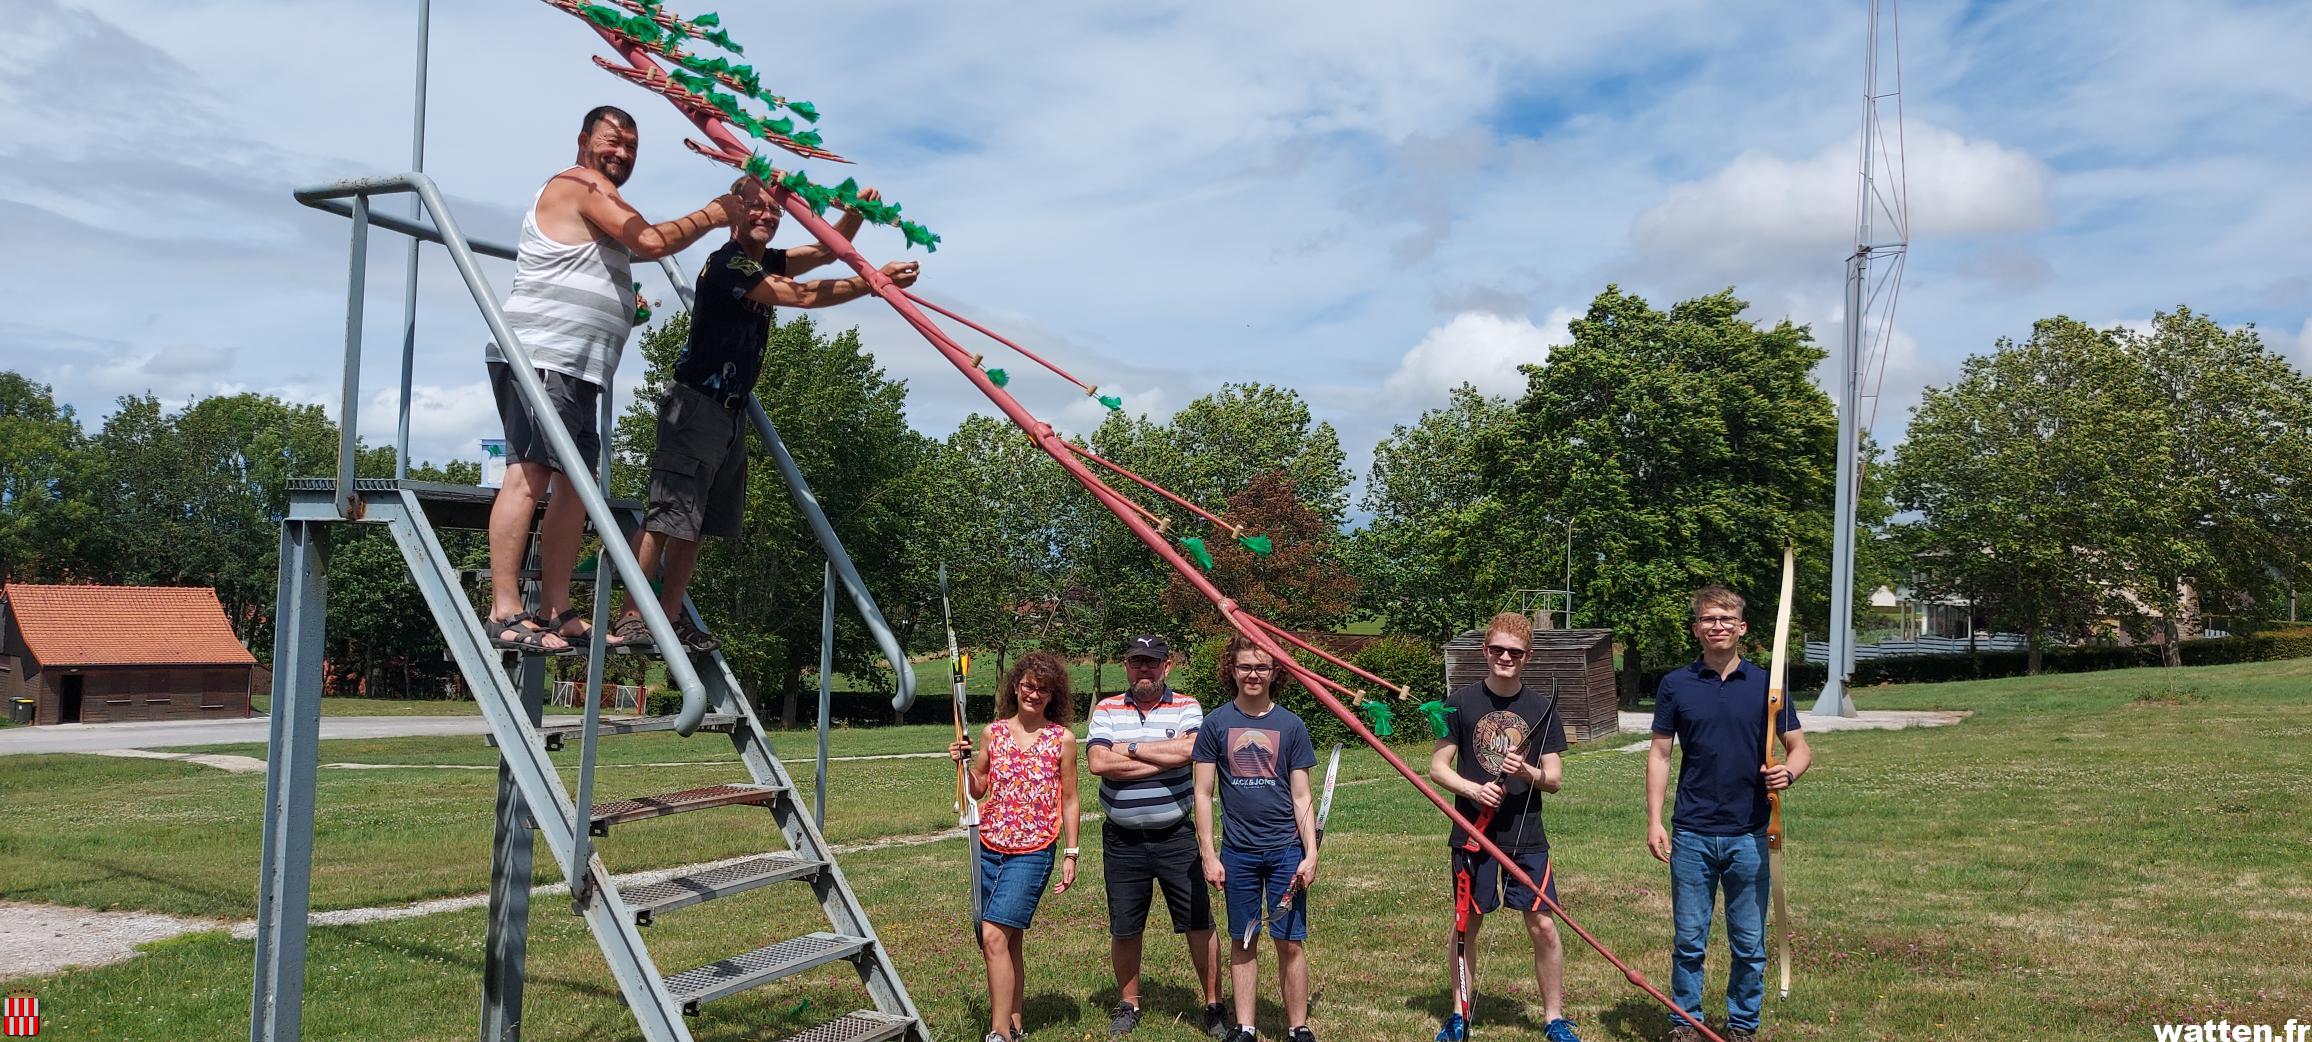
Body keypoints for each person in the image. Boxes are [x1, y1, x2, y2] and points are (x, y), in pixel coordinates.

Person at [609, 174, 921, 650]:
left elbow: (823, 253)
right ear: (734, 210)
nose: (767, 216)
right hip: (695, 405)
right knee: (667, 516)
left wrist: (854, 214)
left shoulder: (764, 260)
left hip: (730, 411)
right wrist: (872, 284)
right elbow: (800, 295)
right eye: (756, 207)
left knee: (698, 522)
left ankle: (669, 615)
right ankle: (632, 615)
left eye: (775, 210)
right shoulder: (728, 265)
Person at [482, 105, 742, 653]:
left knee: (577, 487)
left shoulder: (606, 197)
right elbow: (649, 242)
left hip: (579, 368)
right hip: (541, 357)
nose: (621, 153)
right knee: (528, 474)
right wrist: (715, 213)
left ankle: (556, 608)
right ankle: (504, 609)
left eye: (631, 147)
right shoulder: (576, 184)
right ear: (583, 140)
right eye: (611, 141)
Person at [1646, 586, 1812, 1042]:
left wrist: (1788, 775)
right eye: (1707, 619)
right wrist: (1655, 820)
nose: (1716, 625)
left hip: (1751, 833)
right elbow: (1660, 755)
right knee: (1689, 940)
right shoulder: (1676, 684)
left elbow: (1798, 749)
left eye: (1725, 618)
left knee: (1748, 944)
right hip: (1693, 833)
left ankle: (1742, 1025)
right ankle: (1686, 1023)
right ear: (1696, 629)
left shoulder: (1767, 687)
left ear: (1741, 628)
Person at [1427, 612, 1579, 1042]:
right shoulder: (1459, 701)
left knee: (1543, 925)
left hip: (1526, 837)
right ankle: (1458, 1015)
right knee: (1466, 924)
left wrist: (1527, 771)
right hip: (1473, 833)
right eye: (1498, 649)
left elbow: (1554, 779)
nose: (1505, 657)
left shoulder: (1540, 708)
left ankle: (1554, 1019)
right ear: (1485, 651)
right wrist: (1474, 790)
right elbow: (1438, 768)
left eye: (1515, 651)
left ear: (1527, 656)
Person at [1086, 636, 1227, 1037]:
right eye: (1136, 662)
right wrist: (1161, 754)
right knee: (1125, 926)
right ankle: (1128, 1004)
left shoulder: (1187, 706)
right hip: (1122, 838)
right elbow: (1098, 761)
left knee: (1199, 921)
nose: (1144, 669)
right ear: (1126, 666)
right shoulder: (1107, 707)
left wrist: (1127, 749)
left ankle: (1214, 1005)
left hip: (1175, 835)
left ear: (1167, 667)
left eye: (1152, 662)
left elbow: (1192, 750)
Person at [949, 651, 1081, 1042]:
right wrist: (961, 764)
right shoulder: (994, 732)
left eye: (1042, 689)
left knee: (991, 935)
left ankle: (998, 1032)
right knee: (1008, 940)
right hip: (990, 844)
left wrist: (1071, 854)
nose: (1034, 694)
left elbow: (1071, 799)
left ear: (1052, 694)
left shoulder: (1063, 740)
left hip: (1035, 848)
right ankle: (1015, 1022)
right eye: (1028, 686)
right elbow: (978, 786)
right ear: (1015, 687)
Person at [1193, 635, 1320, 1042]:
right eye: (1245, 666)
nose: (1253, 674)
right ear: (1232, 671)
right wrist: (1209, 855)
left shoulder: (1290, 725)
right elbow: (1202, 793)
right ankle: (1245, 1026)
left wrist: (1310, 852)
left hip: (1285, 851)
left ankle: (1297, 1026)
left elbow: (1302, 795)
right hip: (1239, 854)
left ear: (1274, 672)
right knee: (1243, 938)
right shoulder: (1216, 724)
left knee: (1290, 940)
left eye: (1261, 667)